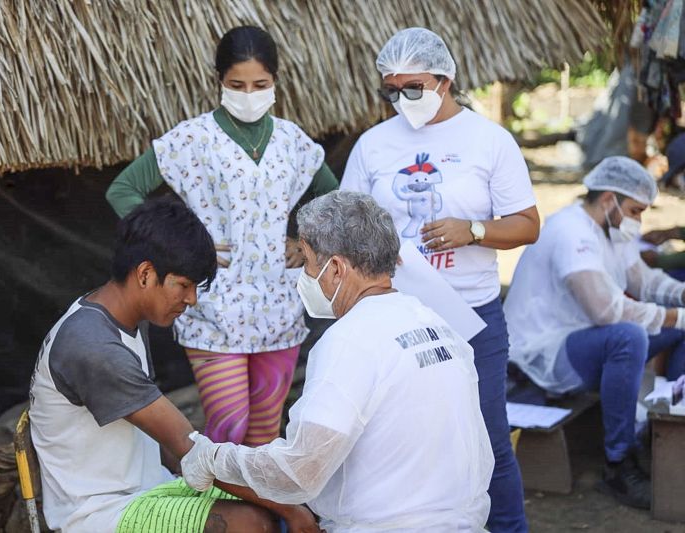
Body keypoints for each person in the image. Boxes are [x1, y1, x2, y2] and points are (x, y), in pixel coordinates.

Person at [181, 190, 495, 531]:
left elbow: (301, 471)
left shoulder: (351, 340)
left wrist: (215, 459)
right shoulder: (433, 322)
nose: (303, 275)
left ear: (334, 269)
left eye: (306, 261)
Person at [339, 28, 538, 532]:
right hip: (393, 317)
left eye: (414, 88)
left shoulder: (488, 140)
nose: (402, 100)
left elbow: (528, 225)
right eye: (391, 90)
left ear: (445, 80)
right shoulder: (373, 145)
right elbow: (347, 222)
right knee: (403, 435)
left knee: (487, 435)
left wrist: (472, 231)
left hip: (471, 317)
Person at [105, 25, 338, 448]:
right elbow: (123, 190)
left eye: (260, 85)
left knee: (265, 434)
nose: (249, 94)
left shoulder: (292, 142)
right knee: (228, 428)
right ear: (219, 82)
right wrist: (177, 248)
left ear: (275, 82)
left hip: (278, 308)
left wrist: (306, 243)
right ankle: (221, 514)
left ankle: (261, 514)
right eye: (237, 85)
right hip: (212, 305)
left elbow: (333, 197)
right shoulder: (191, 139)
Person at [29, 198, 319, 532]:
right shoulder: (94, 347)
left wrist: (278, 499)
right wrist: (293, 511)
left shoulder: (119, 318)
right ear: (145, 274)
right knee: (250, 523)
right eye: (183, 285)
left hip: (147, 488)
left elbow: (166, 442)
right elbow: (186, 444)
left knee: (270, 499)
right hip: (99, 513)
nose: (192, 299)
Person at [504, 156, 685, 510]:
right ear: (608, 200)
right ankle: (619, 464)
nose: (639, 220)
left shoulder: (611, 230)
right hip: (541, 355)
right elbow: (606, 311)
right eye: (635, 210)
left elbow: (644, 282)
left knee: (662, 327)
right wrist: (678, 316)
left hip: (581, 340)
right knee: (628, 337)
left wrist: (682, 299)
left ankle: (671, 419)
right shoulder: (571, 232)